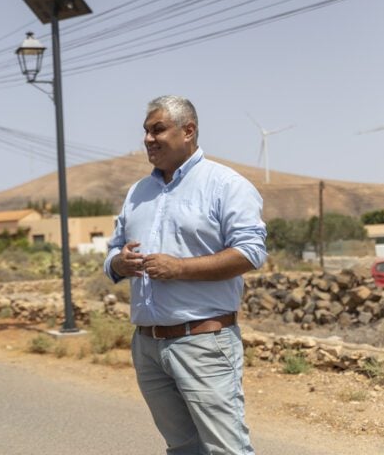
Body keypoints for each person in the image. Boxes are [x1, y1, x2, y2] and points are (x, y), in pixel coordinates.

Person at [104, 95, 267, 455]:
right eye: (146, 131)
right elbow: (113, 250)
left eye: (157, 129)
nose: (148, 139)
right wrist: (119, 263)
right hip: (147, 345)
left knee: (226, 449)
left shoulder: (226, 184)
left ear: (188, 131)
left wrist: (179, 268)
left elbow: (251, 252)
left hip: (203, 342)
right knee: (182, 448)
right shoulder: (137, 192)